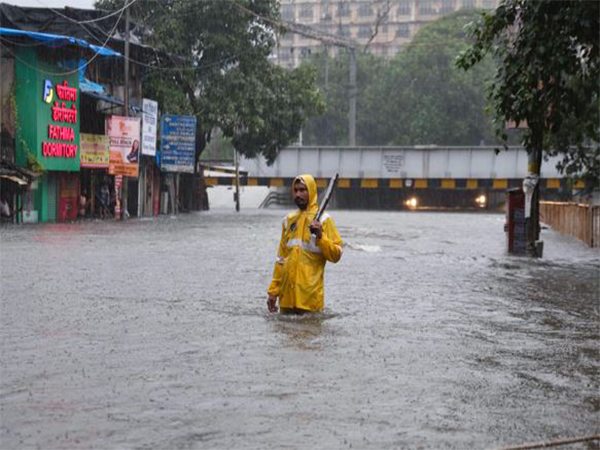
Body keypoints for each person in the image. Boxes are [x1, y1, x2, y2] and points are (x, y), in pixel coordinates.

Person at [267, 174, 343, 314]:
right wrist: (273, 291)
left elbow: (336, 255)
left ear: (311, 191)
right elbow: (281, 260)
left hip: (309, 301)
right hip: (286, 301)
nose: (298, 194)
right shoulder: (288, 220)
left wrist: (321, 236)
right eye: (295, 190)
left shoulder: (325, 220)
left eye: (302, 190)